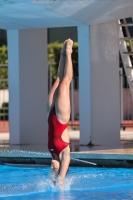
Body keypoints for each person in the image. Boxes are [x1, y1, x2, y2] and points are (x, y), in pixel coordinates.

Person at [47, 38, 73, 189]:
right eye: (54, 170)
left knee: (57, 81)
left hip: (49, 114)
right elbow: (61, 181)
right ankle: (69, 51)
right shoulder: (64, 155)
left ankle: (62, 52)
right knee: (64, 84)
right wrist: (60, 183)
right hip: (61, 118)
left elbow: (53, 179)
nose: (52, 168)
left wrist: (52, 181)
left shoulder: (52, 153)